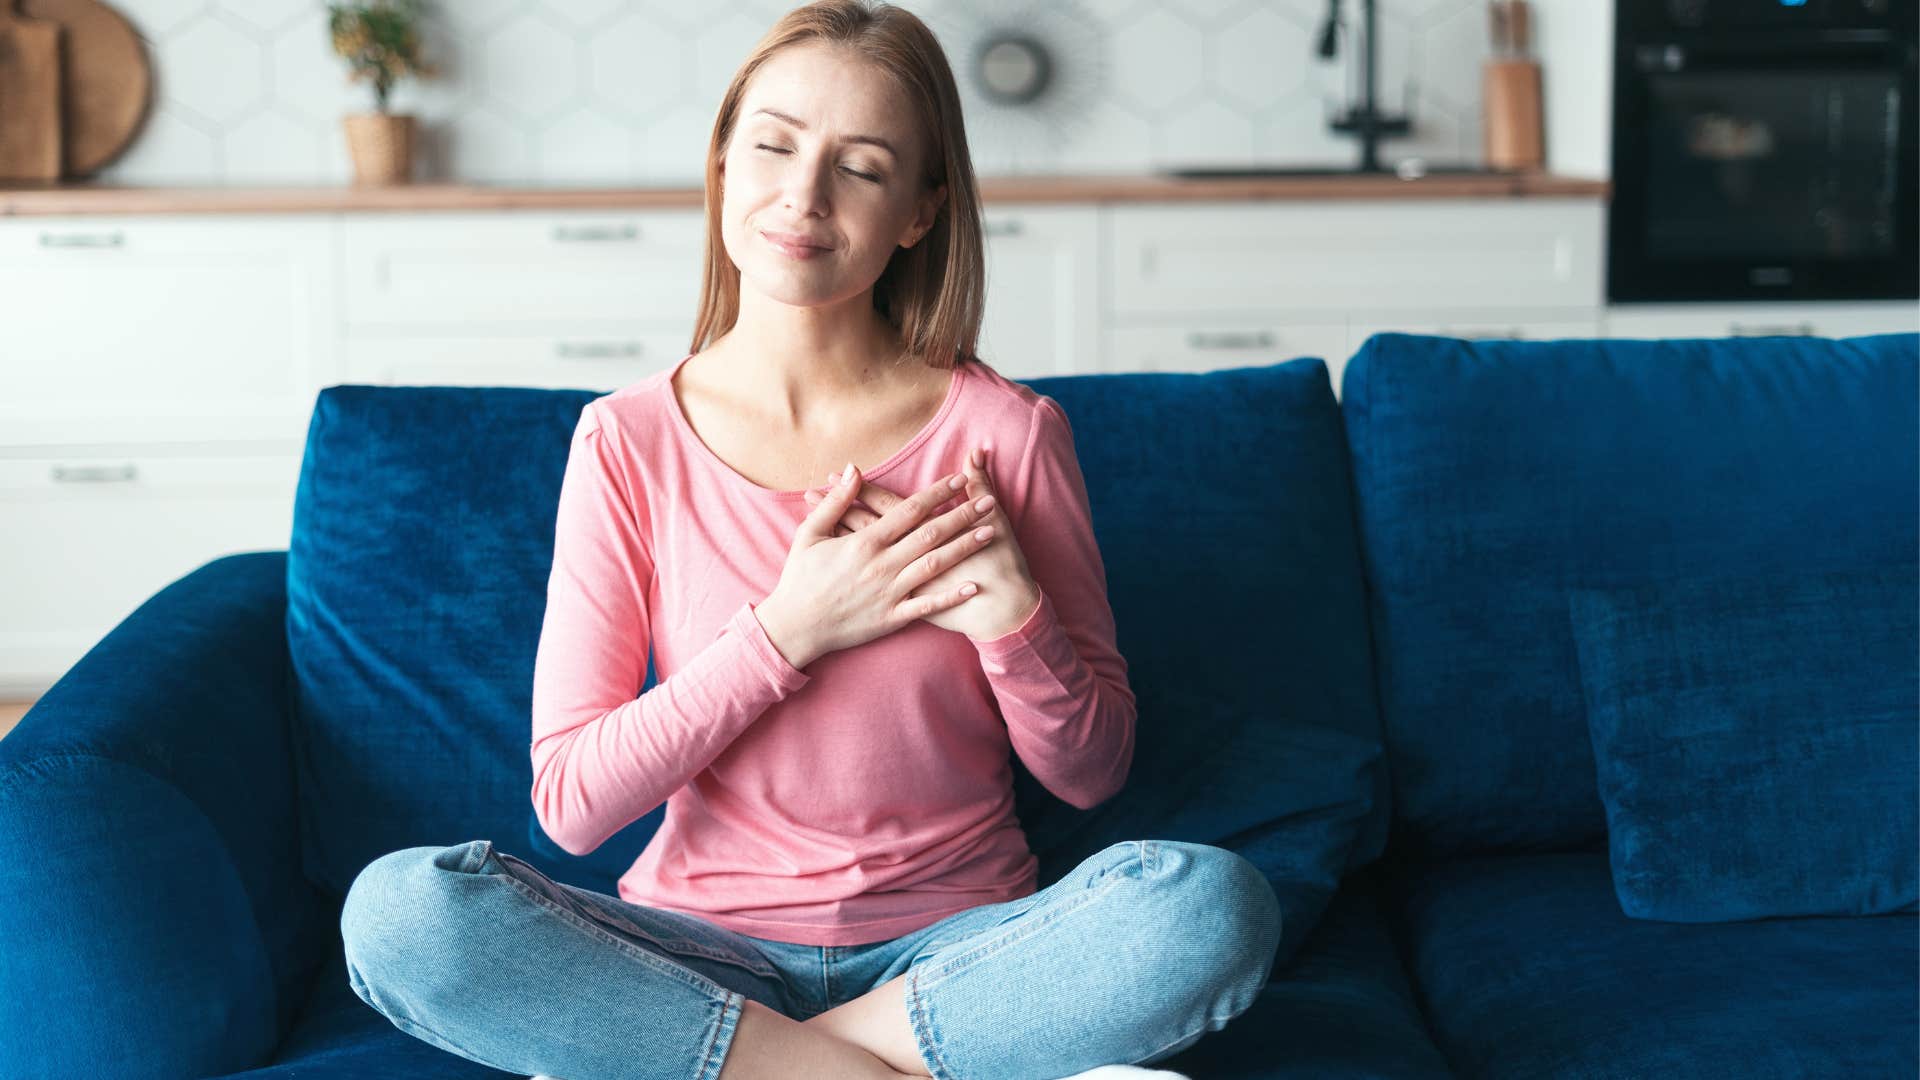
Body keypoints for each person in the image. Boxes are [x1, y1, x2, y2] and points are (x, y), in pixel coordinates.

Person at [337, 3, 1281, 1078]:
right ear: (725, 165)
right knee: (405, 914)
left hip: (955, 955)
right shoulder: (626, 440)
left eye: (863, 168)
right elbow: (572, 804)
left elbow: (1093, 774)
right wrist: (789, 632)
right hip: (697, 951)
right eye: (775, 145)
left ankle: (764, 1066)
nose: (804, 193)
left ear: (920, 212)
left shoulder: (1005, 434)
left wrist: (1017, 623)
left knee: (1211, 907)